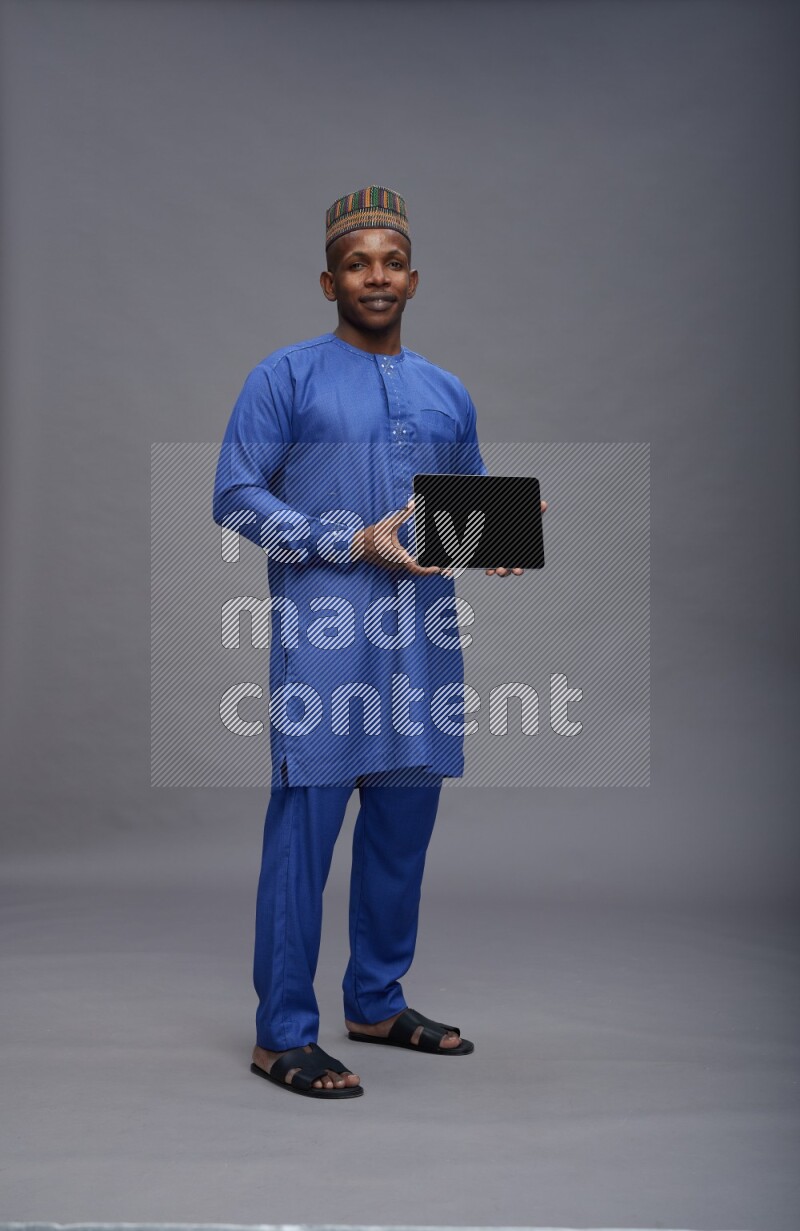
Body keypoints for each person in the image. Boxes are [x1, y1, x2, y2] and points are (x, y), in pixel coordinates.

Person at [212, 185, 547, 1099]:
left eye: (391, 262)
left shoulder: (447, 390)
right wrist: (348, 538)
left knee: (402, 838)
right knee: (302, 844)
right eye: (357, 263)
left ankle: (375, 1000)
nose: (376, 276)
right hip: (326, 645)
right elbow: (236, 496)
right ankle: (281, 1033)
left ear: (414, 278)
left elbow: (458, 501)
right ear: (329, 280)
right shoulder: (284, 376)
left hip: (423, 646)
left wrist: (498, 539)